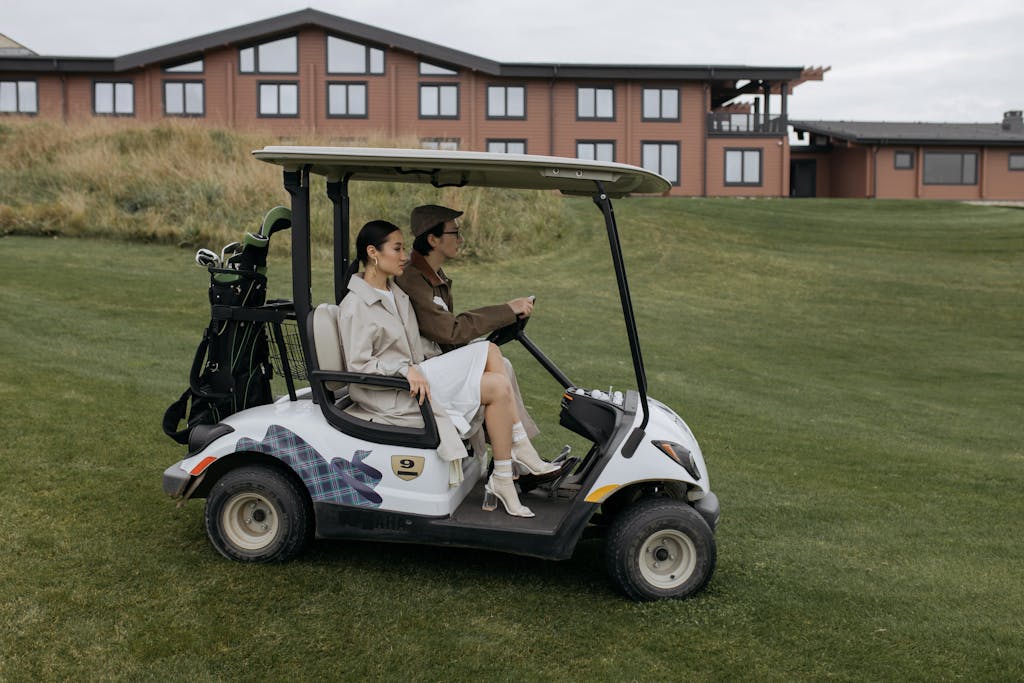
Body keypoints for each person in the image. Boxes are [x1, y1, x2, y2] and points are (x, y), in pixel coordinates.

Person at [338, 219, 538, 517]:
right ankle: (511, 464)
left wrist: (442, 359)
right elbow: (359, 364)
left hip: (418, 376)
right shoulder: (356, 305)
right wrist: (404, 369)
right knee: (494, 373)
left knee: (494, 364)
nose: (405, 255)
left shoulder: (396, 294)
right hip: (393, 392)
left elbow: (414, 346)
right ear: (373, 252)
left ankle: (508, 469)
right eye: (397, 248)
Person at [394, 204, 559, 477]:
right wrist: (506, 311)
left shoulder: (434, 276)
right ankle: (518, 451)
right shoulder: (414, 279)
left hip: (438, 358)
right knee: (491, 356)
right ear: (433, 239)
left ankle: (519, 451)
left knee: (502, 365)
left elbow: (450, 334)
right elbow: (450, 331)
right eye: (454, 233)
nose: (460, 240)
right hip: (423, 370)